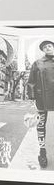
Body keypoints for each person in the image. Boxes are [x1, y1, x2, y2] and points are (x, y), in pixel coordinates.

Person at [27, 40, 54, 169]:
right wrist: (32, 97)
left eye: (49, 45)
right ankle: (42, 153)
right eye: (44, 47)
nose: (47, 48)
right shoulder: (38, 63)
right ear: (43, 50)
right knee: (41, 125)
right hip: (42, 99)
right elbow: (31, 81)